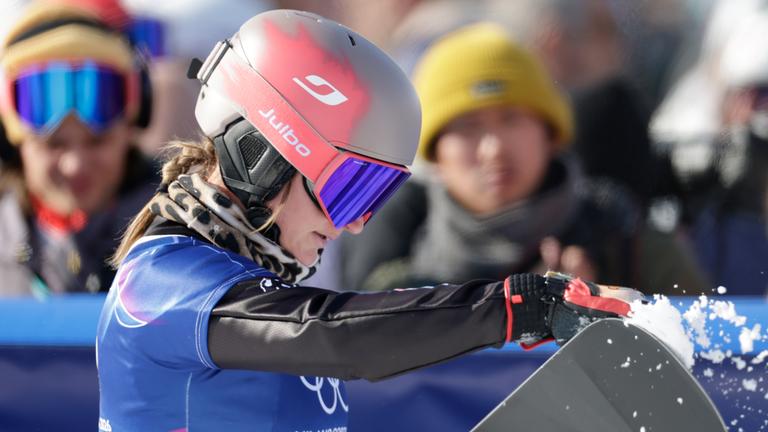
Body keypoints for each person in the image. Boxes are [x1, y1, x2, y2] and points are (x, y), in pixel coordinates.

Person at [96, 10, 645, 431]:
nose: (355, 224)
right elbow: (336, 336)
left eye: (373, 196)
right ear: (262, 156)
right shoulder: (160, 286)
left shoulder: (246, 280)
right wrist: (515, 306)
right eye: (347, 189)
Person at [339, 23, 710, 296]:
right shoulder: (391, 282)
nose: (493, 148)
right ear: (435, 155)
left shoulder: (630, 243)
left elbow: (708, 364)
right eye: (467, 127)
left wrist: (615, 316)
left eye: (511, 120)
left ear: (550, 135)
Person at [0, 1, 157, 297]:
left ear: (129, 132)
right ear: (12, 140)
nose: (75, 164)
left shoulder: (179, 242)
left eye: (97, 141)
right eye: (54, 144)